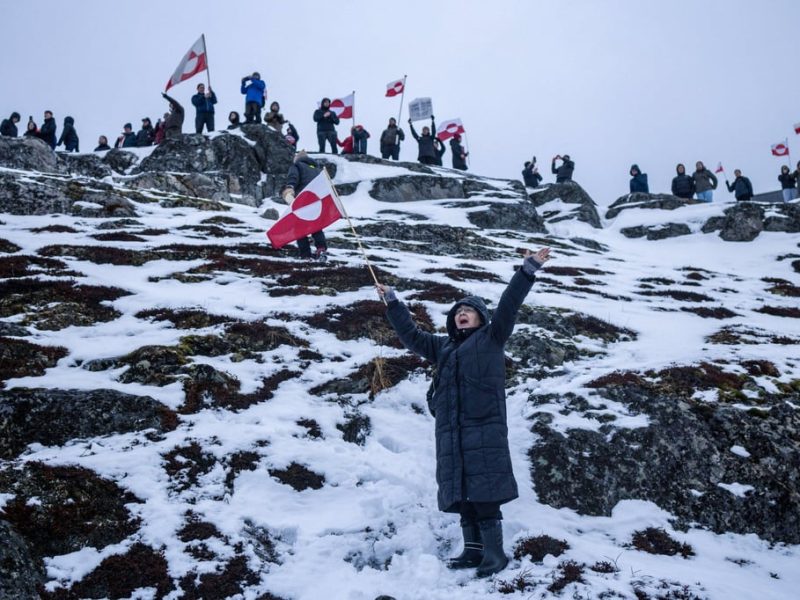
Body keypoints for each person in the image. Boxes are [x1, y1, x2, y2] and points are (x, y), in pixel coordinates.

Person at [376, 247, 552, 578]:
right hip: (452, 430)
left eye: (469, 310)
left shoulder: (492, 337)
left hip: (484, 427)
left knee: (485, 492)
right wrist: (394, 303)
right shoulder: (443, 346)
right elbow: (411, 336)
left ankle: (495, 555)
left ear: (481, 318)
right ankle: (473, 550)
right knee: (462, 492)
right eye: (458, 311)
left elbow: (510, 303)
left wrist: (527, 269)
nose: (462, 313)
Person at [281, 151, 329, 260]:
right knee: (316, 226)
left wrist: (290, 187)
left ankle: (305, 254)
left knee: (299, 227)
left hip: (302, 200)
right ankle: (321, 249)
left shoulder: (297, 166)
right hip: (317, 201)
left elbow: (293, 177)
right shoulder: (317, 170)